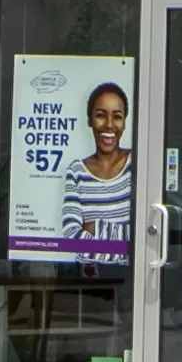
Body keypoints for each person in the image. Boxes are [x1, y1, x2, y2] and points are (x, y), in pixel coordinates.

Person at [63, 81, 135, 251]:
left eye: (117, 116)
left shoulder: (136, 165)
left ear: (124, 122)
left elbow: (142, 234)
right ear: (89, 120)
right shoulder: (77, 171)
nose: (109, 124)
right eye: (101, 115)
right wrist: (120, 240)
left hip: (131, 272)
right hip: (86, 273)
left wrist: (95, 228)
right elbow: (71, 233)